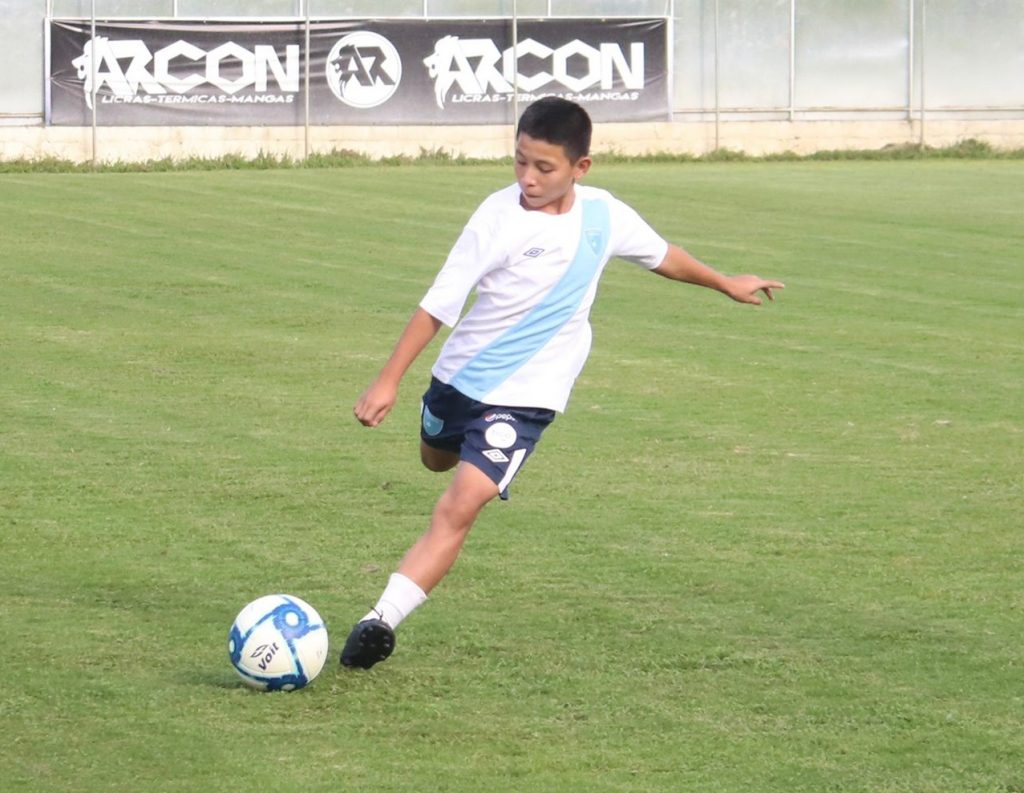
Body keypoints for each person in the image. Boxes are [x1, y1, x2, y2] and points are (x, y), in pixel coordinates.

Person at [342, 97, 784, 669]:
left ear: (582, 167)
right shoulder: (496, 219)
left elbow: (662, 256)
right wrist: (388, 381)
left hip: (527, 401)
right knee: (435, 462)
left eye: (544, 167)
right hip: (459, 381)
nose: (527, 177)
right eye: (519, 161)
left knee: (461, 504)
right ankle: (444, 441)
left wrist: (725, 282)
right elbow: (437, 306)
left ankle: (379, 621)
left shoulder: (604, 216)